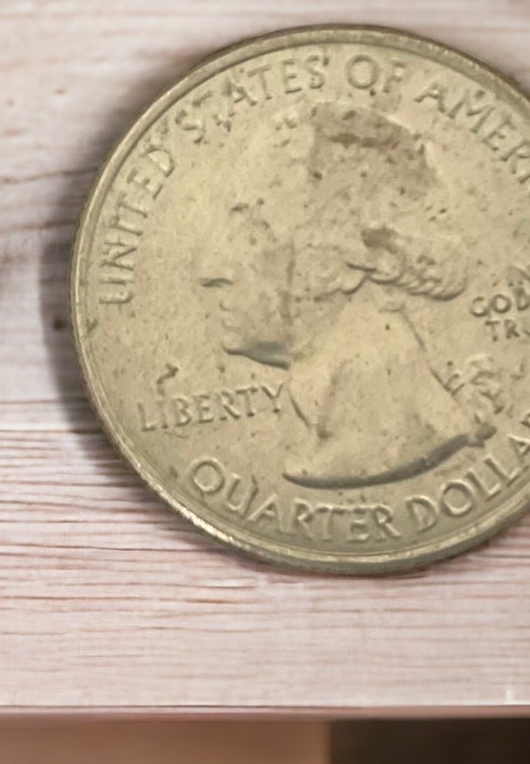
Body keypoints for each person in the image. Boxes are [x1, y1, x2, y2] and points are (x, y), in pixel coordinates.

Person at [197, 103, 490, 487]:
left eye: (253, 236)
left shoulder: (397, 440)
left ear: (342, 265)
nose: (210, 270)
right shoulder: (326, 443)